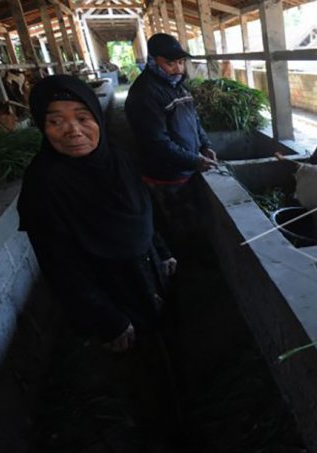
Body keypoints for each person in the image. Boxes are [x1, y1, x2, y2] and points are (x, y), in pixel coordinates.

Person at [18, 75, 177, 352]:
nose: (73, 131)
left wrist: (161, 251)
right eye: (55, 121)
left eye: (82, 117)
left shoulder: (119, 156)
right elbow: (59, 264)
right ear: (42, 127)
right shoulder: (43, 184)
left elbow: (144, 208)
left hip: (146, 268)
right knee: (132, 357)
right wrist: (106, 318)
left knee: (162, 334)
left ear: (97, 117)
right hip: (107, 292)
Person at [125, 33, 218, 252]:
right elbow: (157, 142)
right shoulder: (144, 94)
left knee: (191, 217)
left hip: (186, 168)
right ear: (152, 60)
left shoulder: (177, 85)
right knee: (176, 224)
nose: (177, 68)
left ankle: (195, 254)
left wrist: (206, 146)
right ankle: (182, 265)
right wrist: (194, 160)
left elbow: (194, 120)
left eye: (180, 62)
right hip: (165, 175)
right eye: (170, 63)